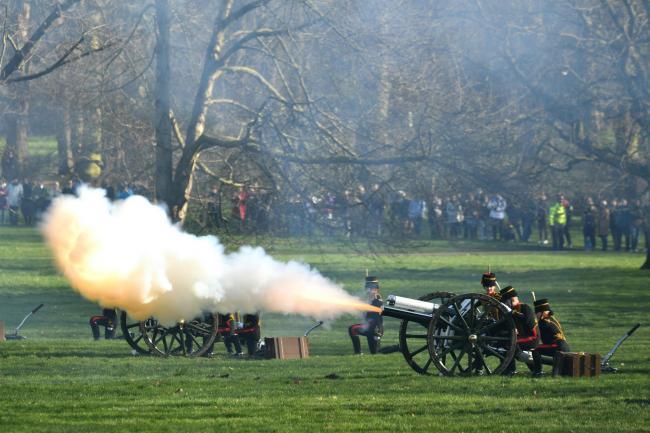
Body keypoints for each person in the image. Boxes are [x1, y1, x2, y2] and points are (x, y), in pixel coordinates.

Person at [499, 286, 539, 375]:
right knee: (504, 342)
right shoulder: (512, 310)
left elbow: (526, 321)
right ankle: (534, 370)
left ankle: (511, 370)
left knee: (510, 343)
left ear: (511, 299)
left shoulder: (525, 308)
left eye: (506, 302)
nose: (505, 304)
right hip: (521, 337)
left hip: (532, 338)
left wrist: (512, 312)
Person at [531, 298, 570, 377]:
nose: (536, 315)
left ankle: (537, 372)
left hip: (558, 346)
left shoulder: (544, 322)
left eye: (537, 312)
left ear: (543, 312)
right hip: (563, 346)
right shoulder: (551, 318)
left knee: (536, 350)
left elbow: (534, 331)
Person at [348, 276, 384, 355]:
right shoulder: (369, 300)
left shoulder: (377, 300)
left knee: (376, 353)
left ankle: (396, 348)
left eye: (371, 287)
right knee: (352, 329)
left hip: (375, 329)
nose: (369, 289)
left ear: (376, 288)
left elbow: (377, 317)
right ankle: (358, 353)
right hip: (369, 327)